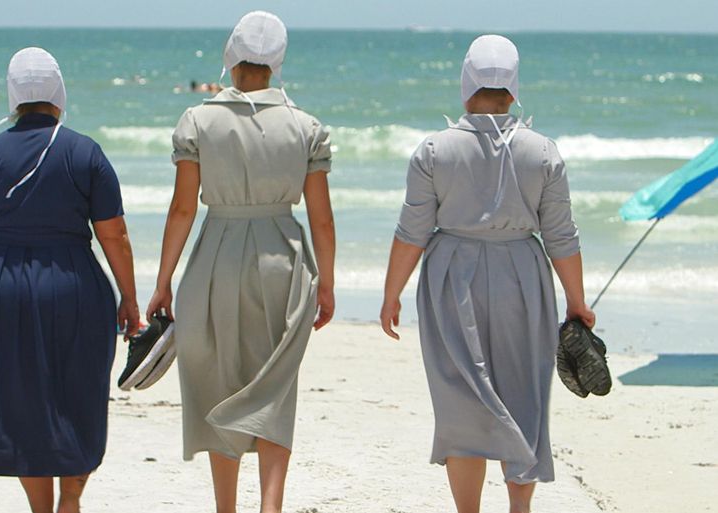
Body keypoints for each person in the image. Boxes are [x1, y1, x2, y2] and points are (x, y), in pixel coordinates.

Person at [380, 35, 596, 513]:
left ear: (466, 84)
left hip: (450, 278)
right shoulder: (543, 152)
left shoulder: (434, 151)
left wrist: (391, 292)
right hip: (523, 273)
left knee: (462, 400)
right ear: (514, 89)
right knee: (525, 396)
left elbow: (411, 230)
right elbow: (563, 236)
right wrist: (577, 302)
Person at [146, 11, 335, 513]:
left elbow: (184, 208)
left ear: (230, 59)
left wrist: (163, 281)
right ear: (278, 62)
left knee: (219, 379)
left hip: (217, 255)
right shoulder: (306, 126)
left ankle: (225, 507)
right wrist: (328, 283)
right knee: (274, 385)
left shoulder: (198, 120)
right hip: (284, 257)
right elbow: (321, 218)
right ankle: (270, 505)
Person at [0, 47, 139, 513]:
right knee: (80, 390)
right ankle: (71, 495)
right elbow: (113, 233)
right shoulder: (85, 152)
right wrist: (129, 297)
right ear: (58, 94)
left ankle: (42, 508)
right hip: (71, 281)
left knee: (20, 400)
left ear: (13, 97)